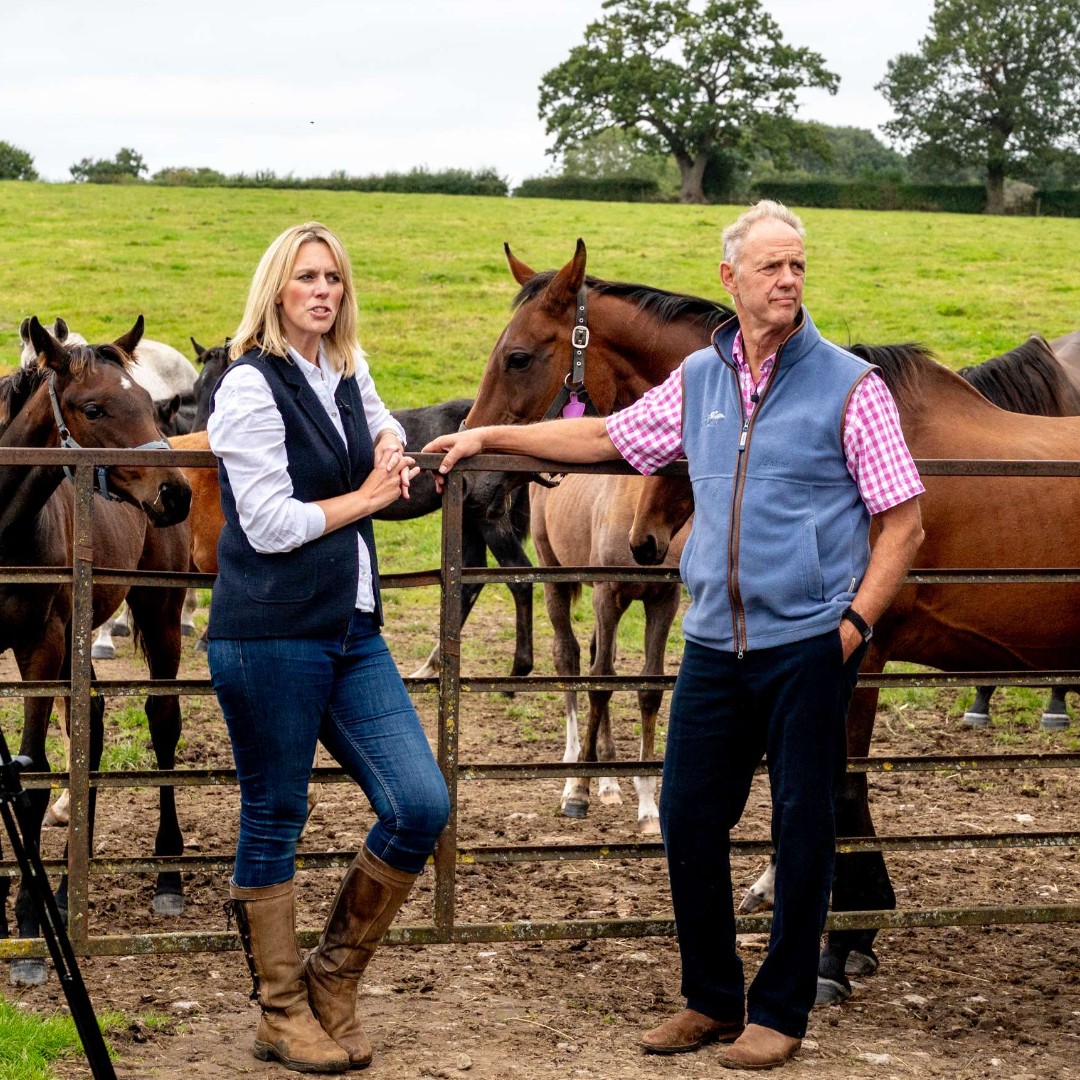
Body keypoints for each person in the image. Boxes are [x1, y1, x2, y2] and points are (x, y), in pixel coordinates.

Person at [423, 201, 924, 1070]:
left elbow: (903, 521)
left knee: (801, 825)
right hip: (714, 641)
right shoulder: (700, 381)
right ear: (731, 278)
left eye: (797, 266)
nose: (787, 281)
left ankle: (780, 1011)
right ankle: (711, 998)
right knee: (689, 816)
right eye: (769, 267)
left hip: (809, 643)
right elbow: (604, 436)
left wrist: (851, 627)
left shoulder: (852, 386)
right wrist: (489, 434)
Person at [207, 221, 451, 1074]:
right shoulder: (248, 385)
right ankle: (279, 1011)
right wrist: (372, 497)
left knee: (419, 803)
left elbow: (381, 424)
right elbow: (270, 525)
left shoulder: (345, 367)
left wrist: (388, 446)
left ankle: (333, 978)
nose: (322, 291)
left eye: (334, 279)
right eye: (307, 277)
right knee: (275, 811)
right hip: (269, 631)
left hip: (351, 628)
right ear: (276, 289)